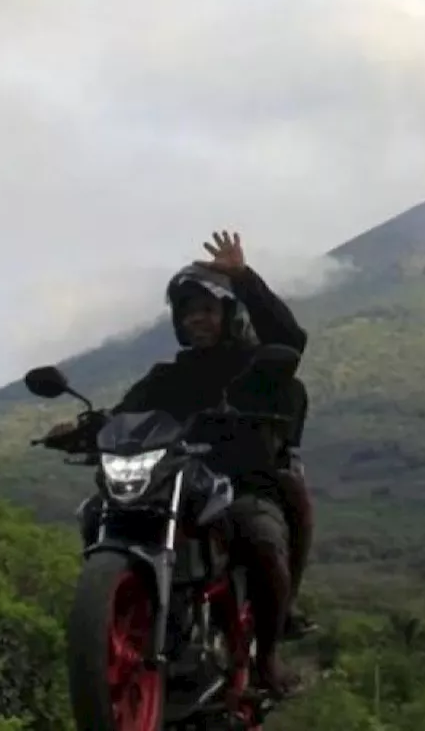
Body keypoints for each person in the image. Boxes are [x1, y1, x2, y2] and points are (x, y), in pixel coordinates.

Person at [46, 231, 315, 696]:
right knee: (97, 511)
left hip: (239, 484)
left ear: (227, 314)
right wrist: (81, 428)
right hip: (176, 483)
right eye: (188, 312)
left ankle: (268, 656)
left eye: (207, 310)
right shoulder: (167, 377)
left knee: (261, 534)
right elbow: (124, 414)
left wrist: (243, 278)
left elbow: (290, 339)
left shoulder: (257, 365)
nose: (197, 320)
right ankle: (125, 615)